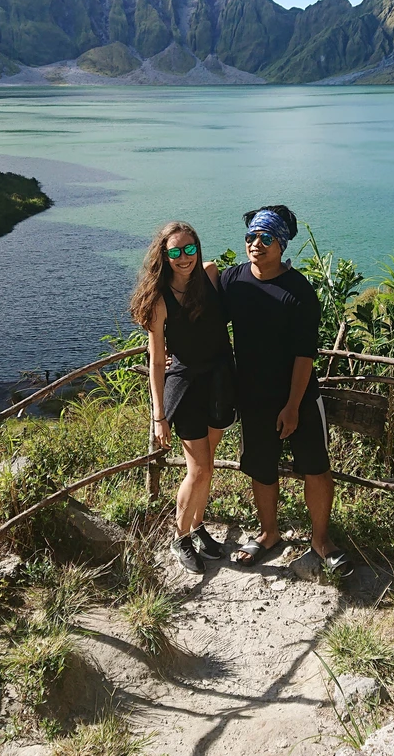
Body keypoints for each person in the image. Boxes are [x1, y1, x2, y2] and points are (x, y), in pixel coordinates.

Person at [220, 204, 353, 576]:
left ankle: (321, 541)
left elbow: (304, 355)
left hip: (300, 396)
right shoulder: (233, 281)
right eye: (251, 236)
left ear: (281, 244)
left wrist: (293, 405)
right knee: (261, 468)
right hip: (253, 397)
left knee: (316, 467)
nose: (256, 244)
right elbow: (202, 315)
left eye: (266, 238)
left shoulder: (299, 291)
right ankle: (269, 534)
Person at [130, 221, 236, 575]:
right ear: (164, 255)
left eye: (190, 248)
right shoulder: (159, 300)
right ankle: (180, 537)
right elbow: (157, 360)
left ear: (198, 248)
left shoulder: (210, 274)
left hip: (219, 380)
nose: (184, 257)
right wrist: (159, 416)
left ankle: (197, 525)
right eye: (175, 251)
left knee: (208, 466)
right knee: (199, 469)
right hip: (187, 387)